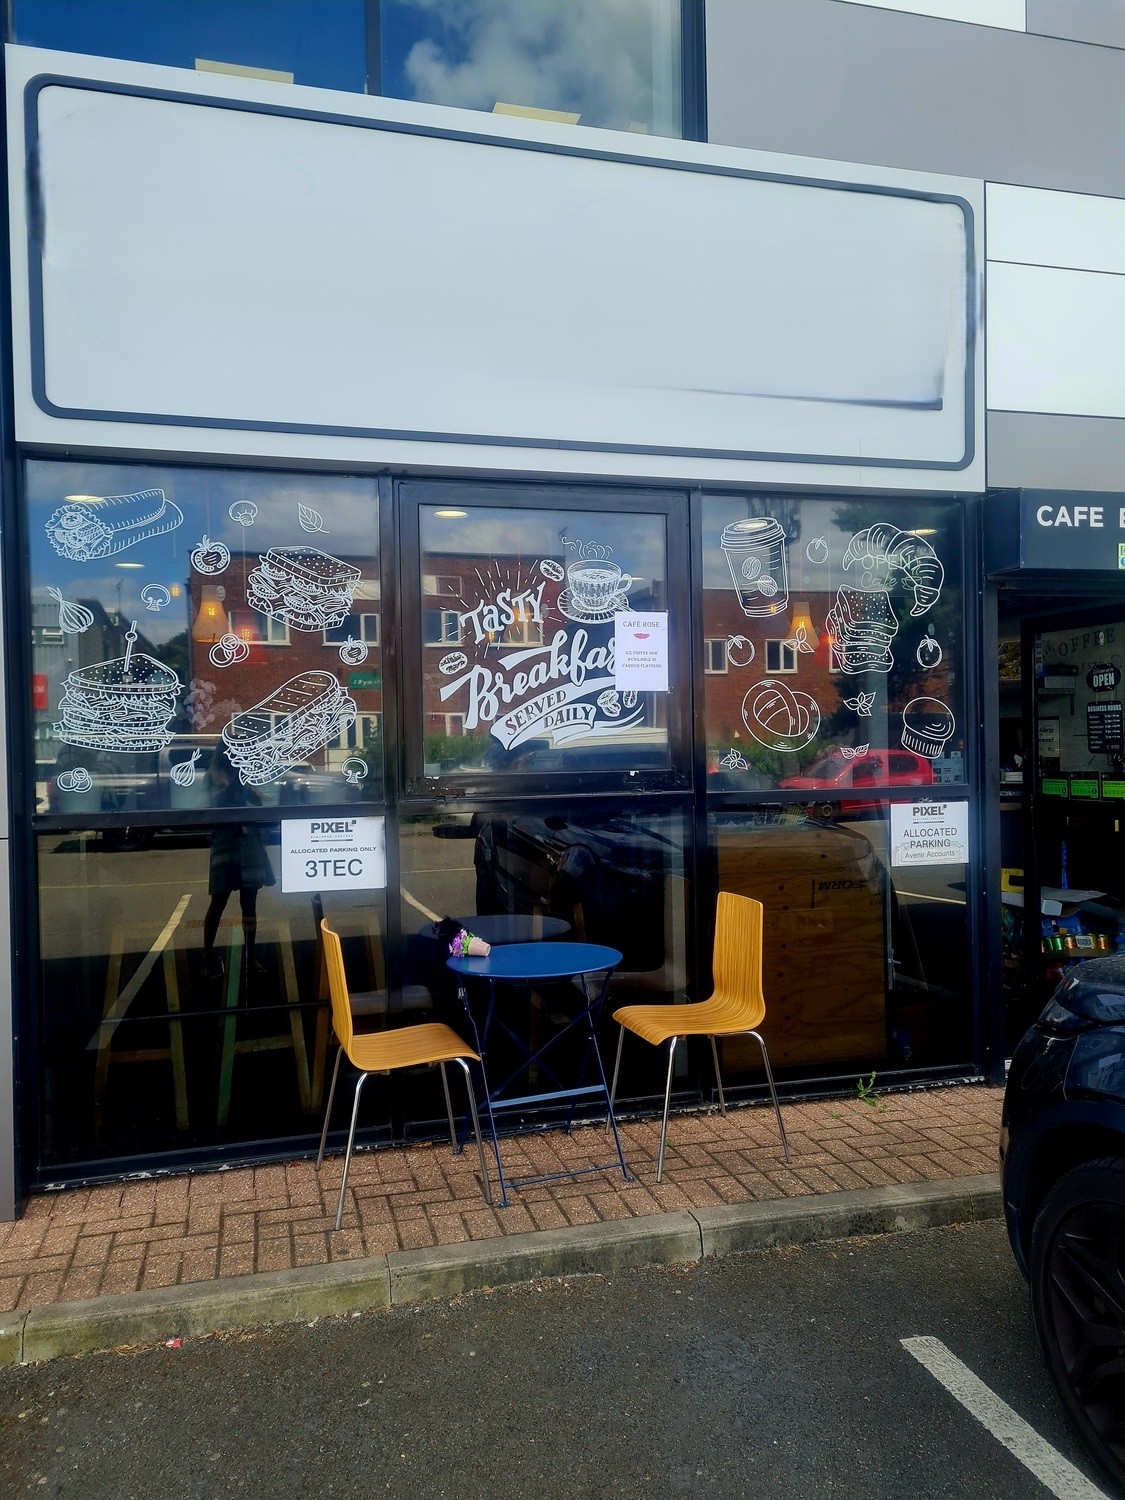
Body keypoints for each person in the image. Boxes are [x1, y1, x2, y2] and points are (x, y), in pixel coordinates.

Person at [201, 746, 275, 979]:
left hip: (247, 839)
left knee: (249, 903)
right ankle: (207, 956)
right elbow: (210, 806)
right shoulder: (214, 776)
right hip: (226, 839)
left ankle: (250, 956)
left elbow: (257, 802)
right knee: (219, 901)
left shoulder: (243, 773)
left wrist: (254, 786)